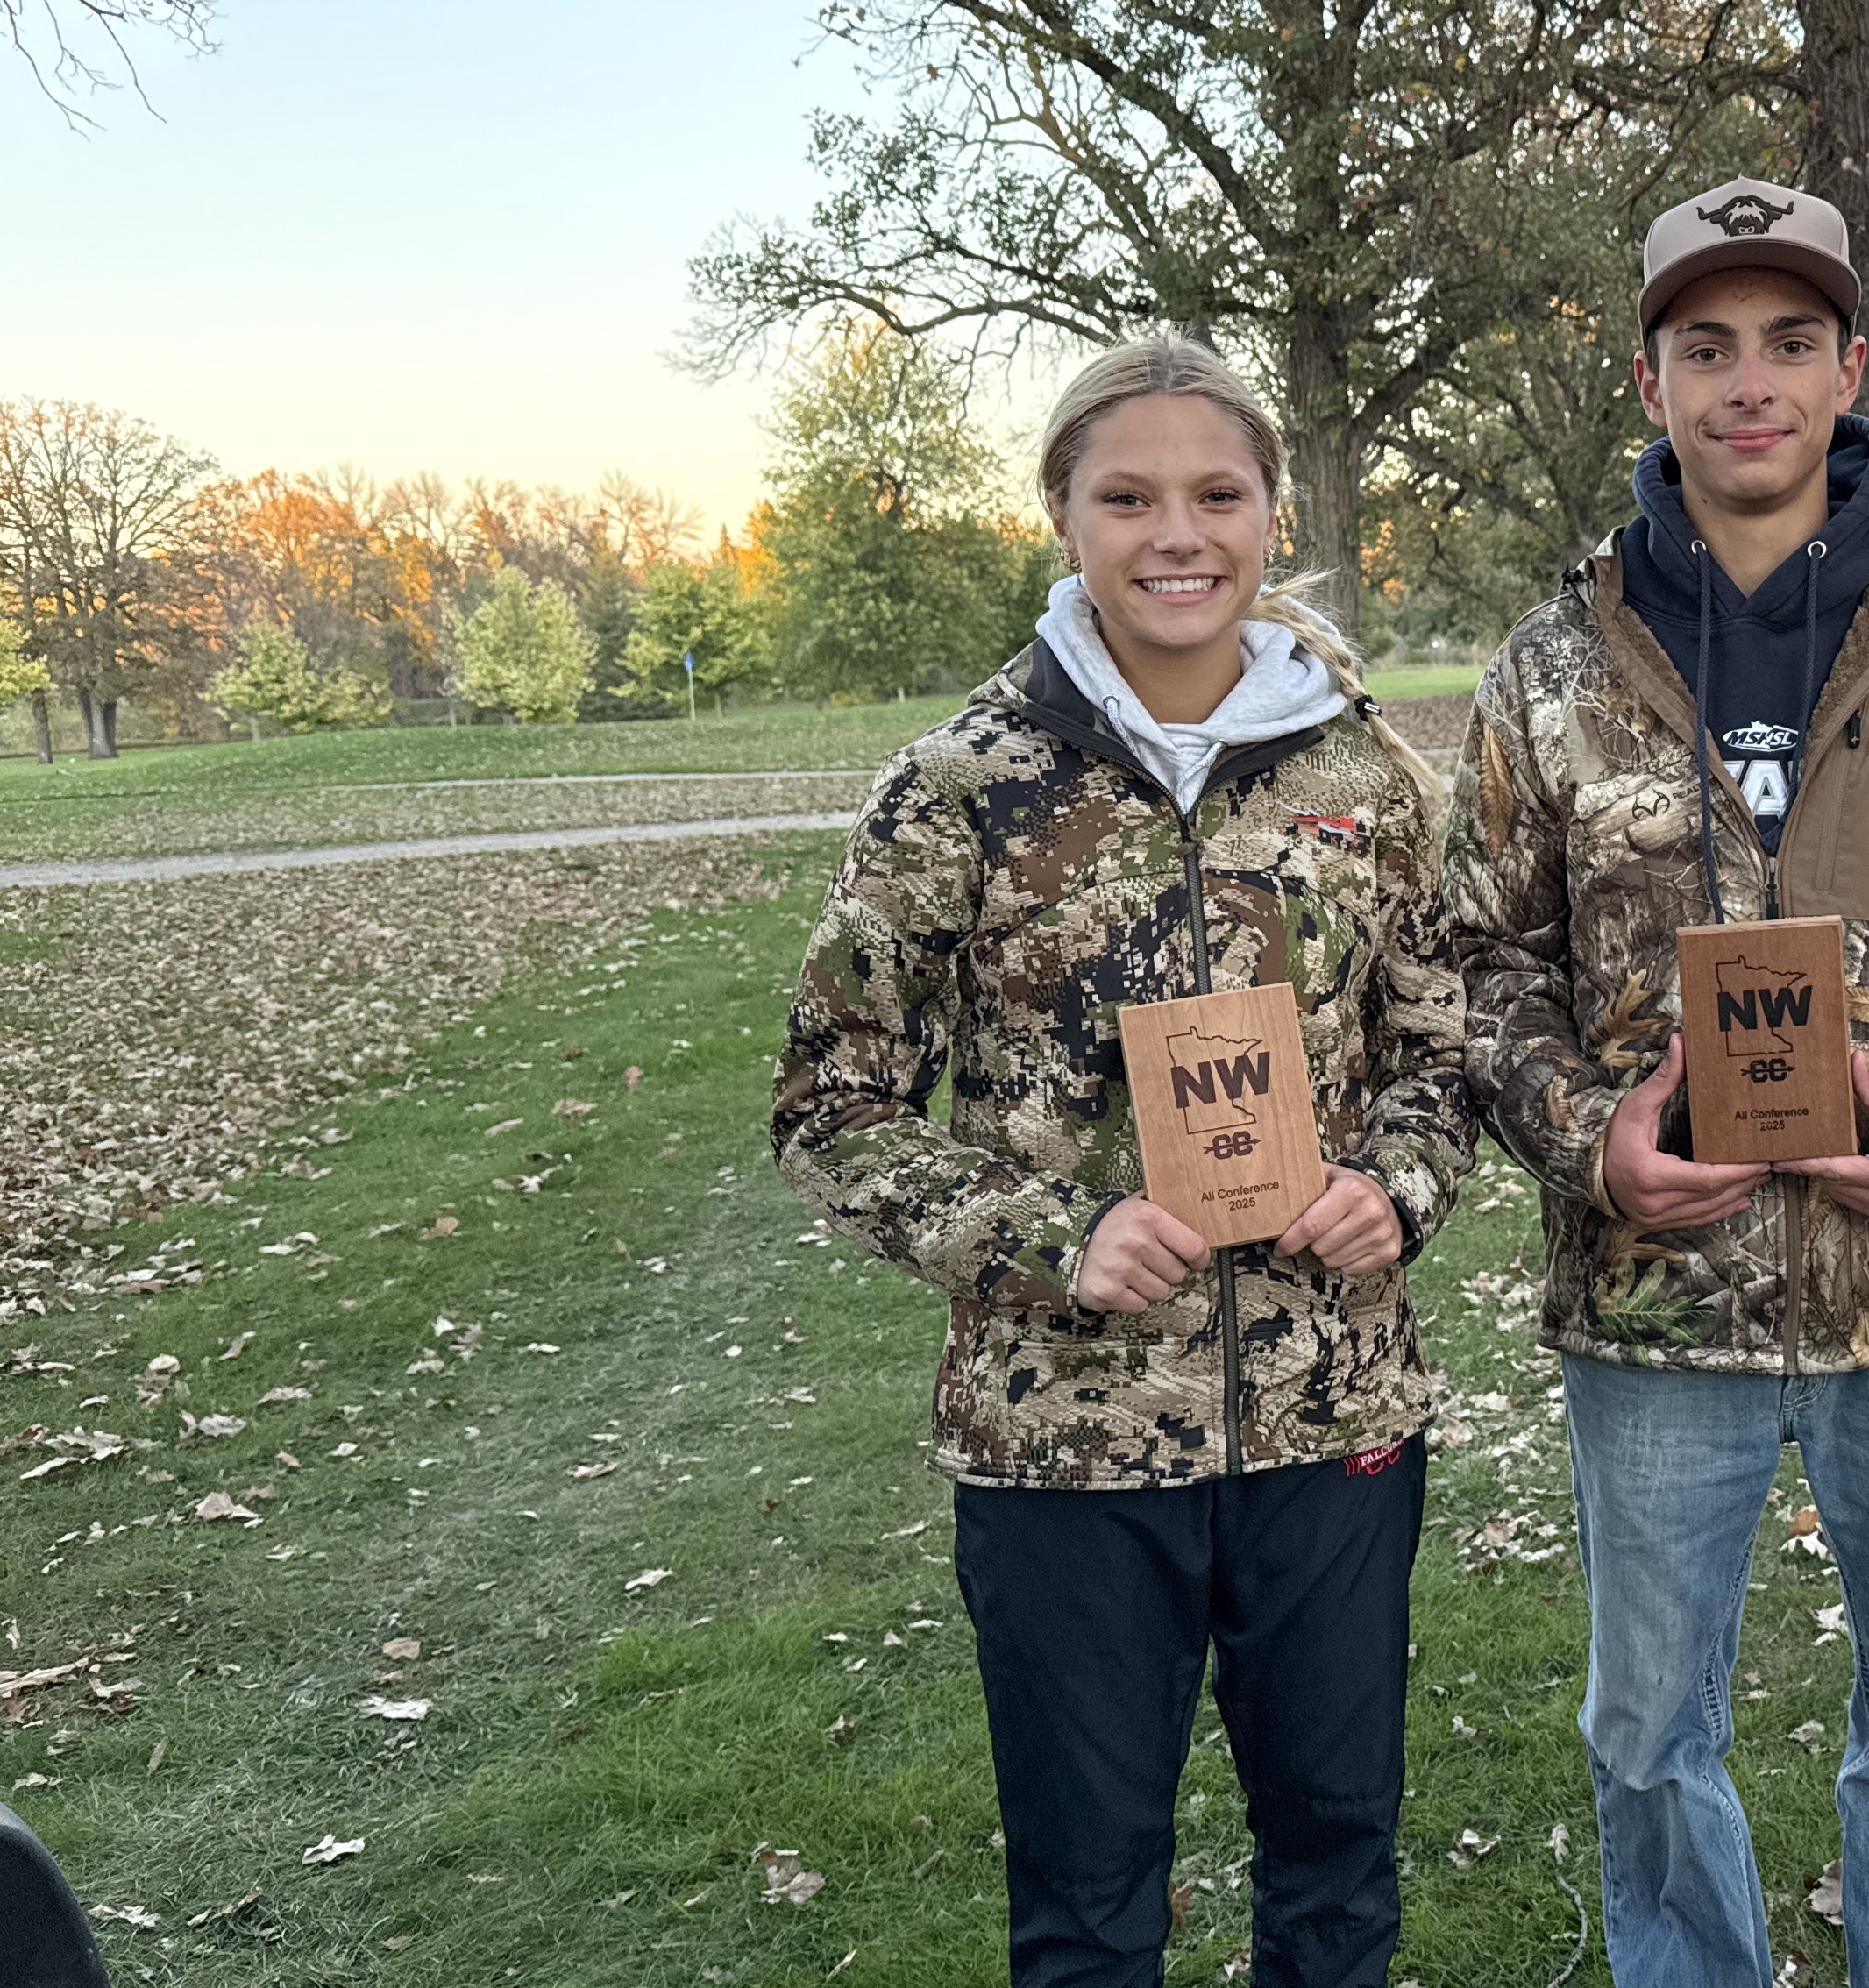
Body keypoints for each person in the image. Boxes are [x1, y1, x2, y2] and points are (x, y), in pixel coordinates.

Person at [1442, 177, 1869, 1988]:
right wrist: (1590, 1143)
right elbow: (1475, 959)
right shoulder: (1553, 665)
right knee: (1646, 1732)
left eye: (1789, 343)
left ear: (1849, 371)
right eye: (1707, 347)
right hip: (1654, 1302)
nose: (1749, 383)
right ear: (1652, 381)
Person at [770, 333, 1475, 1988]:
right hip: (1064, 1444)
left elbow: (1444, 1052)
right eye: (1129, 498)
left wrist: (1397, 1186)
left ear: (1271, 513)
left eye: (1217, 495)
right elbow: (831, 1103)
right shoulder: (961, 787)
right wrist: (1049, 1237)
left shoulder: (1367, 775)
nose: (1178, 535)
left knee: (1337, 1867)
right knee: (1090, 1904)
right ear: (1064, 518)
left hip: (1329, 1418)